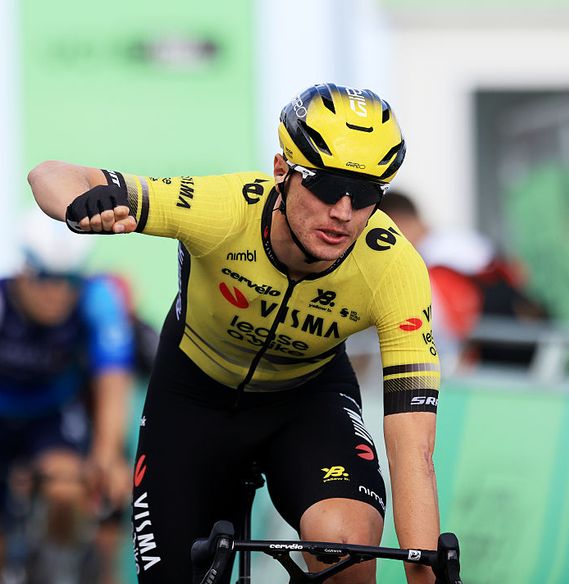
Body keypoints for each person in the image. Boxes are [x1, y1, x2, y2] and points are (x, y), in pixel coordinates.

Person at [30, 83, 442, 584]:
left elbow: (412, 445)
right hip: (192, 398)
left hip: (307, 401)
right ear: (282, 171)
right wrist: (81, 205)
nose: (343, 213)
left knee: (346, 543)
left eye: (366, 195)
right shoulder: (222, 209)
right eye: (327, 186)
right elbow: (49, 174)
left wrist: (425, 575)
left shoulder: (393, 267)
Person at [0, 212, 136, 584]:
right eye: (44, 278)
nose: (56, 292)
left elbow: (112, 382)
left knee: (66, 489)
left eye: (69, 280)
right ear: (24, 270)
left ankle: (57, 563)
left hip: (48, 416)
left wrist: (106, 453)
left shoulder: (98, 299)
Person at [382, 191, 548, 370]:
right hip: (511, 339)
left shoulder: (432, 257)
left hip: (492, 347)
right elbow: (516, 273)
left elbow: (455, 320)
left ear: (396, 221)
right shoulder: (457, 239)